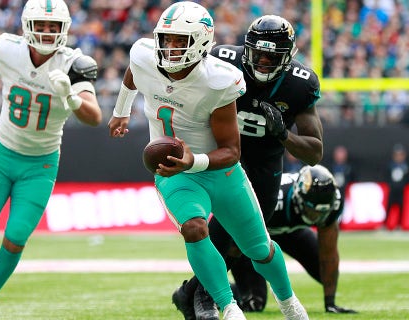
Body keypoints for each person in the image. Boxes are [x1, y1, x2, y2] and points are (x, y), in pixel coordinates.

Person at [108, 3, 308, 320]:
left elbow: (231, 151)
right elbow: (134, 74)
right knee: (194, 227)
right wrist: (121, 110)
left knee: (259, 248)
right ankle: (228, 306)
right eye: (167, 39)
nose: (170, 48)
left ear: (201, 42)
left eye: (180, 41)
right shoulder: (144, 54)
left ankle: (289, 303)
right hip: (175, 173)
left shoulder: (218, 80)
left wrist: (193, 160)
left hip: (220, 170)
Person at [0, 0, 102, 319]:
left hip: (40, 164)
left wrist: (70, 97)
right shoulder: (8, 50)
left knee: (15, 239)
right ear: (28, 25)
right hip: (2, 154)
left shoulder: (74, 64)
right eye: (40, 25)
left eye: (52, 26)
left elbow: (94, 116)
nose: (45, 32)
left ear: (64, 29)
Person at [169, 14, 324, 320]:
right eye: (258, 54)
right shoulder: (222, 61)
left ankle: (190, 294)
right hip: (221, 154)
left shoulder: (298, 84)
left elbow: (315, 152)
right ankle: (202, 298)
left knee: (249, 239)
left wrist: (284, 134)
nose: (264, 62)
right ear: (246, 49)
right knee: (220, 230)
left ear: (287, 58)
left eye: (272, 57)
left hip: (265, 162)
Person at [227, 165, 356, 314]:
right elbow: (233, 232)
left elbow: (329, 253)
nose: (317, 217)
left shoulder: (333, 202)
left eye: (322, 213)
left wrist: (330, 304)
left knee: (326, 273)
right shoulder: (275, 197)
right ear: (298, 197)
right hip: (253, 234)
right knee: (254, 302)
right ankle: (211, 292)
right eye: (312, 210)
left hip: (292, 232)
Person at [384, 143, 409, 230]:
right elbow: (387, 177)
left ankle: (399, 225)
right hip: (392, 190)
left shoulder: (405, 166)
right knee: (389, 207)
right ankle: (385, 224)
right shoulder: (391, 165)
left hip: (401, 190)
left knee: (401, 207)